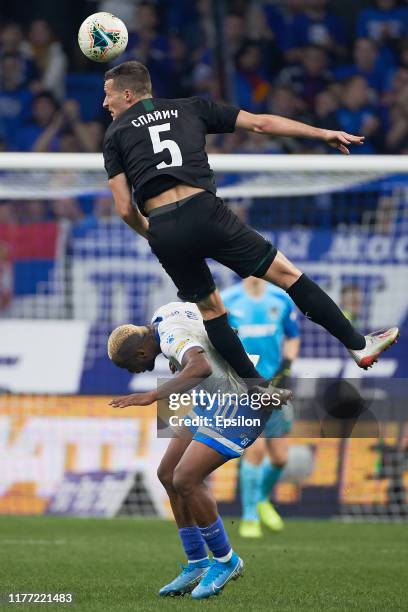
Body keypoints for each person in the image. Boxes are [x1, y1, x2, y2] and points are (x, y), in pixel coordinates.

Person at [102, 60, 399, 395]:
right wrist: (321, 133)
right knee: (288, 276)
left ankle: (256, 389)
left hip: (164, 228)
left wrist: (151, 232)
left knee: (212, 310)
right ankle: (358, 344)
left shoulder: (114, 135)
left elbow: (125, 208)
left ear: (127, 95)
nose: (104, 103)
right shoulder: (190, 107)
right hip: (205, 212)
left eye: (108, 94)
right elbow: (260, 124)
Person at [107, 301, 282, 598]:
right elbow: (213, 320)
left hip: (240, 399)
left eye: (130, 366)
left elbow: (201, 366)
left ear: (140, 352)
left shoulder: (170, 333)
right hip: (211, 399)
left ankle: (227, 561)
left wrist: (151, 395)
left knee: (185, 478)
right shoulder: (163, 314)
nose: (135, 371)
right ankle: (198, 563)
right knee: (167, 473)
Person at [222, 277, 300, 538]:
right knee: (254, 452)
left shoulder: (280, 299)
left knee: (280, 457)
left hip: (274, 386)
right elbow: (217, 338)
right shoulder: (228, 299)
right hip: (242, 387)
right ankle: (250, 517)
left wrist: (285, 367)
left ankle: (262, 499)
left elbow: (293, 337)